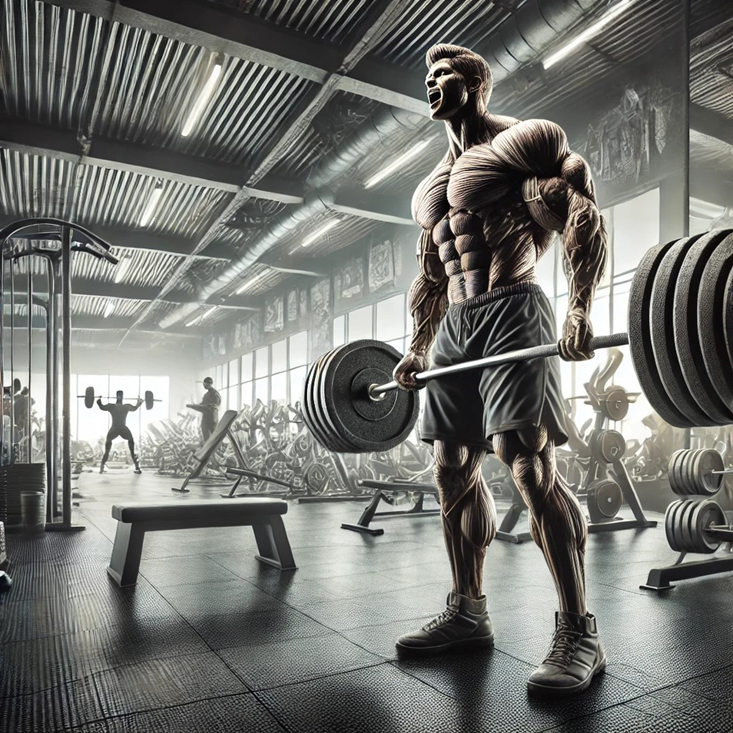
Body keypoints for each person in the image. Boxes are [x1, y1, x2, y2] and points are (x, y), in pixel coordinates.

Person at [392, 44, 608, 698]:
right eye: (425, 78)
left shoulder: (523, 141)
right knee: (450, 465)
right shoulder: (428, 188)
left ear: (476, 82)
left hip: (514, 305)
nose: (432, 85)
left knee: (525, 462)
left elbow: (576, 209)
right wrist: (415, 344)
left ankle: (578, 630)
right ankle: (467, 611)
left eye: (445, 75)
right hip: (456, 324)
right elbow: (431, 272)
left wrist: (577, 308)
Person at [97, 391, 143, 474]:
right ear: (118, 396)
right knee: (107, 449)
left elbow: (102, 407)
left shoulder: (118, 406)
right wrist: (139, 402)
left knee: (131, 444)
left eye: (120, 395)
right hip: (118, 428)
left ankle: (137, 467)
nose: (120, 397)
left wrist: (99, 400)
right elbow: (102, 407)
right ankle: (101, 467)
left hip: (118, 428)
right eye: (119, 395)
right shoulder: (122, 406)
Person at [188, 377, 221, 443]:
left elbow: (211, 406)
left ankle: (215, 450)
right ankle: (209, 450)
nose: (204, 385)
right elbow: (202, 405)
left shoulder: (214, 394)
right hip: (208, 417)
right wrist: (193, 405)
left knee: (213, 437)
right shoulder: (207, 395)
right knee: (208, 436)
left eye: (204, 384)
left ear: (208, 384)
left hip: (211, 418)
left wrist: (193, 406)